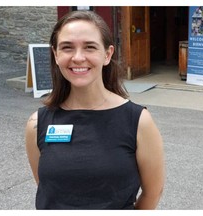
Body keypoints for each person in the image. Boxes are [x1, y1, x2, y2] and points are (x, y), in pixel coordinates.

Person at [25, 10, 165, 210]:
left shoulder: (138, 121)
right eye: (67, 48)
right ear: (56, 54)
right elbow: (48, 189)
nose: (78, 57)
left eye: (90, 47)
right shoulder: (37, 124)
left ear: (107, 54)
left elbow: (153, 193)